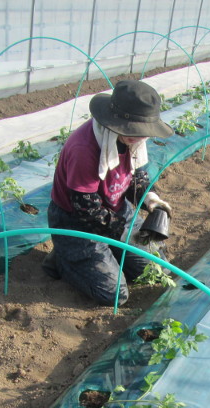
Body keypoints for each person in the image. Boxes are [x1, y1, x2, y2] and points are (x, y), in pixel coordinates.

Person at [42, 80, 174, 305]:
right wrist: (124, 233)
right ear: (114, 121)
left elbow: (137, 176)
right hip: (76, 222)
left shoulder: (135, 140)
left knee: (156, 270)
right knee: (114, 295)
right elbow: (86, 209)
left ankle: (110, 251)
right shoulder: (84, 149)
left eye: (142, 131)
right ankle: (64, 258)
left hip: (116, 210)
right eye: (132, 129)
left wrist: (151, 199)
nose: (137, 136)